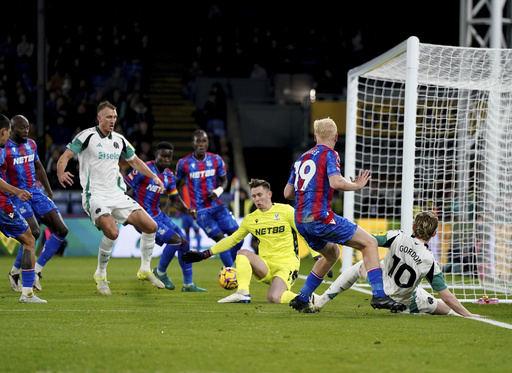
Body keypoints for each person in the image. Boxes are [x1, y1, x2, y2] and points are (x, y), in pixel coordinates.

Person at [283, 117, 405, 313]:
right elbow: (335, 182)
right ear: (336, 137)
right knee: (370, 243)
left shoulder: (301, 159)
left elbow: (287, 194)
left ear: (315, 136)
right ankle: (379, 295)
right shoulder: (330, 154)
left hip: (301, 220)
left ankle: (303, 298)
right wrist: (356, 185)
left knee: (332, 254)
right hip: (320, 217)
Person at [56, 100, 165, 295]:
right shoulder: (86, 136)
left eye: (114, 117)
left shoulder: (119, 140)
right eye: (108, 117)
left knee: (151, 227)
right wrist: (60, 173)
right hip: (95, 195)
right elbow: (65, 156)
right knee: (113, 233)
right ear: (99, 118)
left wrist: (154, 176)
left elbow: (136, 162)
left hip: (116, 194)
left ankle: (145, 269)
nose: (112, 120)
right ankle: (101, 275)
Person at [312, 211, 483, 317]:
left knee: (361, 266)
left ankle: (322, 300)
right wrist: (468, 314)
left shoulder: (397, 237)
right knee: (446, 309)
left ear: (414, 226)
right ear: (435, 233)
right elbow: (447, 296)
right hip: (407, 301)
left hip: (382, 289)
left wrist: (334, 242)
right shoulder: (429, 260)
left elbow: (367, 241)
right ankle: (467, 316)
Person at [183, 179, 300, 304]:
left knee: (274, 298)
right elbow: (232, 240)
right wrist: (205, 254)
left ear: (269, 194)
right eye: (254, 196)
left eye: (260, 195)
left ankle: (308, 298)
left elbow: (305, 233)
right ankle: (242, 293)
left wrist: (317, 256)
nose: (257, 199)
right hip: (265, 265)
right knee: (242, 253)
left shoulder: (286, 211)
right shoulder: (251, 219)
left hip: (286, 264)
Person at [125, 142, 207, 292]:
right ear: (156, 155)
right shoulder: (143, 169)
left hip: (158, 215)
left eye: (169, 156)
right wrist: (125, 213)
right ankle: (160, 272)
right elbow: (124, 188)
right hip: (143, 217)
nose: (166, 159)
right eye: (163, 155)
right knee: (175, 240)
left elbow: (175, 200)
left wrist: (189, 211)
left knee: (184, 243)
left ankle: (188, 284)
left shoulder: (169, 176)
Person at [5, 115, 69, 292]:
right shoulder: (4, 149)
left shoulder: (31, 144)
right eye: (21, 128)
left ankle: (37, 271)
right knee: (33, 232)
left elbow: (39, 167)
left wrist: (48, 191)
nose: (26, 131)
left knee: (62, 230)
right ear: (11, 129)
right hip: (17, 195)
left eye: (27, 127)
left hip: (35, 191)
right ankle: (16, 273)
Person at [175, 129, 242, 268]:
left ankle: (227, 266)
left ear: (207, 143)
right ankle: (231, 271)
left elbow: (224, 181)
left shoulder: (216, 159)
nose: (201, 144)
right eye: (198, 141)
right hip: (201, 211)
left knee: (239, 237)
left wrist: (218, 190)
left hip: (218, 206)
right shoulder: (184, 163)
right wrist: (186, 209)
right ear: (192, 143)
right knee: (220, 239)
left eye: (204, 141)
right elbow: (173, 189)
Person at [0, 114, 45, 303]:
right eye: (8, 133)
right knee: (29, 239)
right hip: (3, 205)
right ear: (3, 132)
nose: (8, 137)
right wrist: (16, 191)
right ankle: (27, 293)